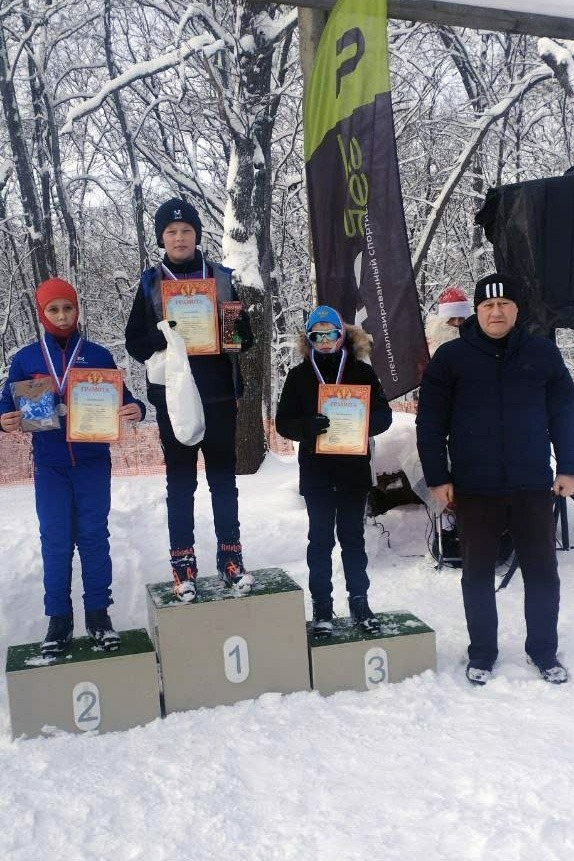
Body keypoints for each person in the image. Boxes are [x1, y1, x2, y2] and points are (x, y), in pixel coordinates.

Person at [416, 272, 574, 685]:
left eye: (504, 305)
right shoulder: (451, 359)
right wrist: (437, 476)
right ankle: (482, 653)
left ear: (516, 310)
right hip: (475, 487)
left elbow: (564, 413)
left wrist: (569, 467)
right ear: (477, 311)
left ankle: (543, 651)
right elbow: (430, 422)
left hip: (531, 484)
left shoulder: (542, 354)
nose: (496, 311)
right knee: (477, 575)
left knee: (542, 574)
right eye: (488, 305)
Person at [0, 277, 145, 656]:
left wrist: (137, 409)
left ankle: (99, 615)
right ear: (41, 313)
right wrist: (4, 418)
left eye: (68, 308)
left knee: (94, 537)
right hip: (50, 466)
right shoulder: (27, 359)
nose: (62, 316)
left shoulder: (97, 355)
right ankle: (58, 619)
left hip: (93, 463)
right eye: (54, 309)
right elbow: (6, 403)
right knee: (56, 540)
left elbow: (125, 399)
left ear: (77, 310)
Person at [125, 198, 254, 602]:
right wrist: (166, 335)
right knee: (180, 483)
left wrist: (222, 328)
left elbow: (242, 339)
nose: (179, 238)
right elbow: (135, 343)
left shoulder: (220, 278)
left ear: (197, 234)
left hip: (217, 394)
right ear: (161, 238)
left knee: (222, 480)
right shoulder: (150, 282)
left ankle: (230, 558)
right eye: (170, 232)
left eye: (186, 231)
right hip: (174, 400)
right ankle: (183, 563)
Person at [276, 305, 392, 637]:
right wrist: (306, 427)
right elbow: (283, 423)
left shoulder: (361, 372)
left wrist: (360, 422)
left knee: (353, 540)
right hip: (317, 474)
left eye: (330, 333)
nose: (324, 340)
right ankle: (322, 607)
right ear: (309, 338)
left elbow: (384, 416)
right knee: (320, 541)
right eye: (317, 335)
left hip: (353, 472)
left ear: (342, 335)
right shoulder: (299, 376)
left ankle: (360, 604)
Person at [425, 285, 472, 357]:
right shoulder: (428, 344)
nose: (457, 323)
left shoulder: (475, 341)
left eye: (461, 318)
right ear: (443, 319)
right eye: (452, 318)